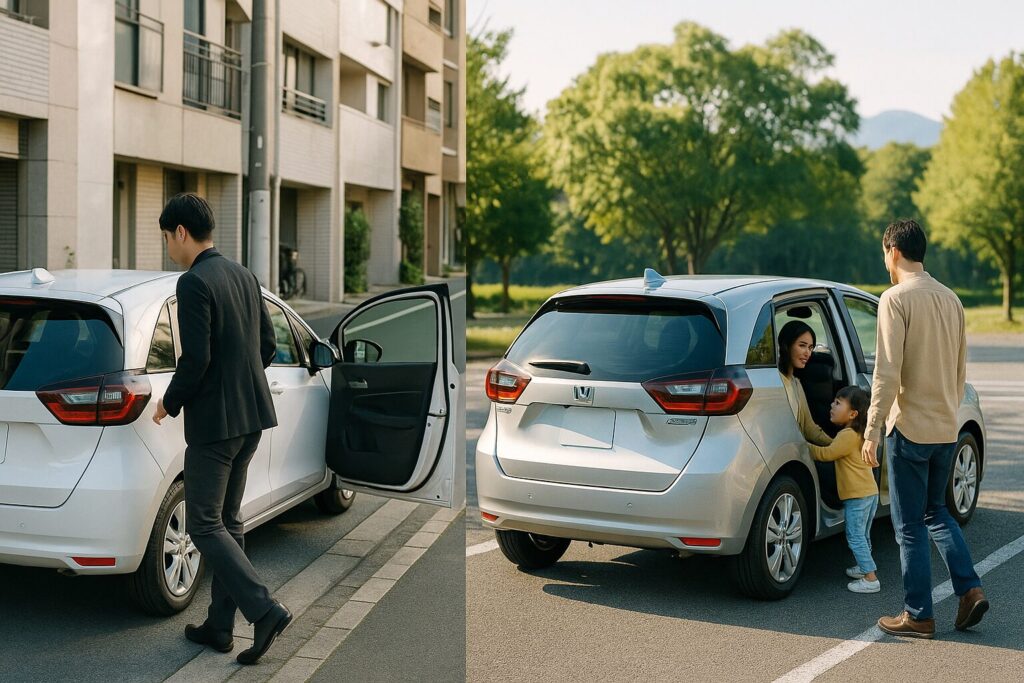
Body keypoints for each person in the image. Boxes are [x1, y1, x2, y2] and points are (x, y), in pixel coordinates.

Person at [152, 193, 292, 664]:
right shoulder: (244, 275)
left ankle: (264, 609)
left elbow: (196, 360)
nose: (168, 247)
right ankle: (219, 626)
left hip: (215, 426)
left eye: (166, 237)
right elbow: (266, 346)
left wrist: (167, 404)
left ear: (181, 233)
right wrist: (241, 382)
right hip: (251, 418)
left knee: (203, 523)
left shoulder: (193, 283)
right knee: (229, 523)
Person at [862, 218, 987, 639]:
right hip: (945, 428)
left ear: (893, 251)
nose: (885, 261)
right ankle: (969, 591)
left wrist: (872, 430)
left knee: (909, 525)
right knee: (938, 513)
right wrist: (950, 413)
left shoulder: (894, 299)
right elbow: (959, 368)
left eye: (884, 254)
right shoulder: (952, 299)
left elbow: (886, 372)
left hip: (910, 429)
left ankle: (918, 615)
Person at [806, 386, 880, 594]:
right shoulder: (857, 434)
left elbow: (827, 454)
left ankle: (870, 578)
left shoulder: (847, 435)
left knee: (855, 536)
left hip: (857, 496)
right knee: (863, 535)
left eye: (838, 403)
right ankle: (864, 566)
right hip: (869, 493)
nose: (832, 405)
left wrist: (802, 445)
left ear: (852, 414)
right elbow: (835, 447)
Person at [777, 320, 833, 447]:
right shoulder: (774, 381)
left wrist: (837, 446)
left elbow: (810, 429)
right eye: (802, 345)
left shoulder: (796, 384)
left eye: (810, 347)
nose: (807, 353)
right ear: (786, 345)